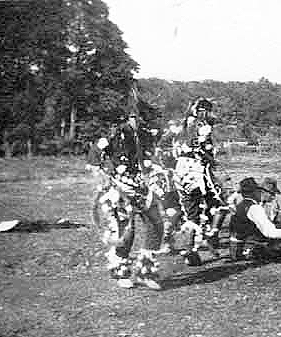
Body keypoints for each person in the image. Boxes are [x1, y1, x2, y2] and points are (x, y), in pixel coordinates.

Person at [87, 112, 164, 290]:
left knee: (156, 224)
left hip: (141, 186)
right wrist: (103, 177)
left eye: (139, 118)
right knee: (126, 231)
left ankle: (146, 270)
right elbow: (94, 157)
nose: (137, 121)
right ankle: (121, 270)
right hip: (119, 188)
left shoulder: (143, 134)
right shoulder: (113, 135)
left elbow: (152, 154)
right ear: (125, 120)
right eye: (133, 118)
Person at [172, 97, 229, 266]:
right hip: (195, 171)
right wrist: (212, 160)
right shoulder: (200, 126)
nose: (209, 114)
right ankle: (212, 234)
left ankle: (190, 251)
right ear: (201, 111)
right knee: (221, 201)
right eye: (207, 111)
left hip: (181, 172)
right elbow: (199, 149)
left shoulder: (182, 126)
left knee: (192, 213)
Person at [228, 177, 281, 261]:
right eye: (272, 194)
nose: (273, 197)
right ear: (262, 192)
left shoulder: (243, 204)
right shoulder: (254, 208)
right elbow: (270, 233)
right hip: (246, 248)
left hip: (237, 245)